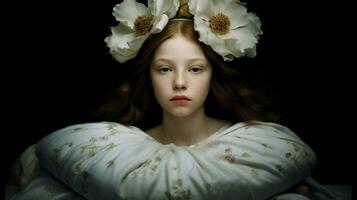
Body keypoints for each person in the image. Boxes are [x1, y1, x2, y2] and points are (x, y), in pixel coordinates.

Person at [6, 0, 345, 199]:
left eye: (196, 69)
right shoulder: (114, 148)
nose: (180, 82)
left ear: (213, 74)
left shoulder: (256, 144)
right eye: (165, 69)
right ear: (149, 75)